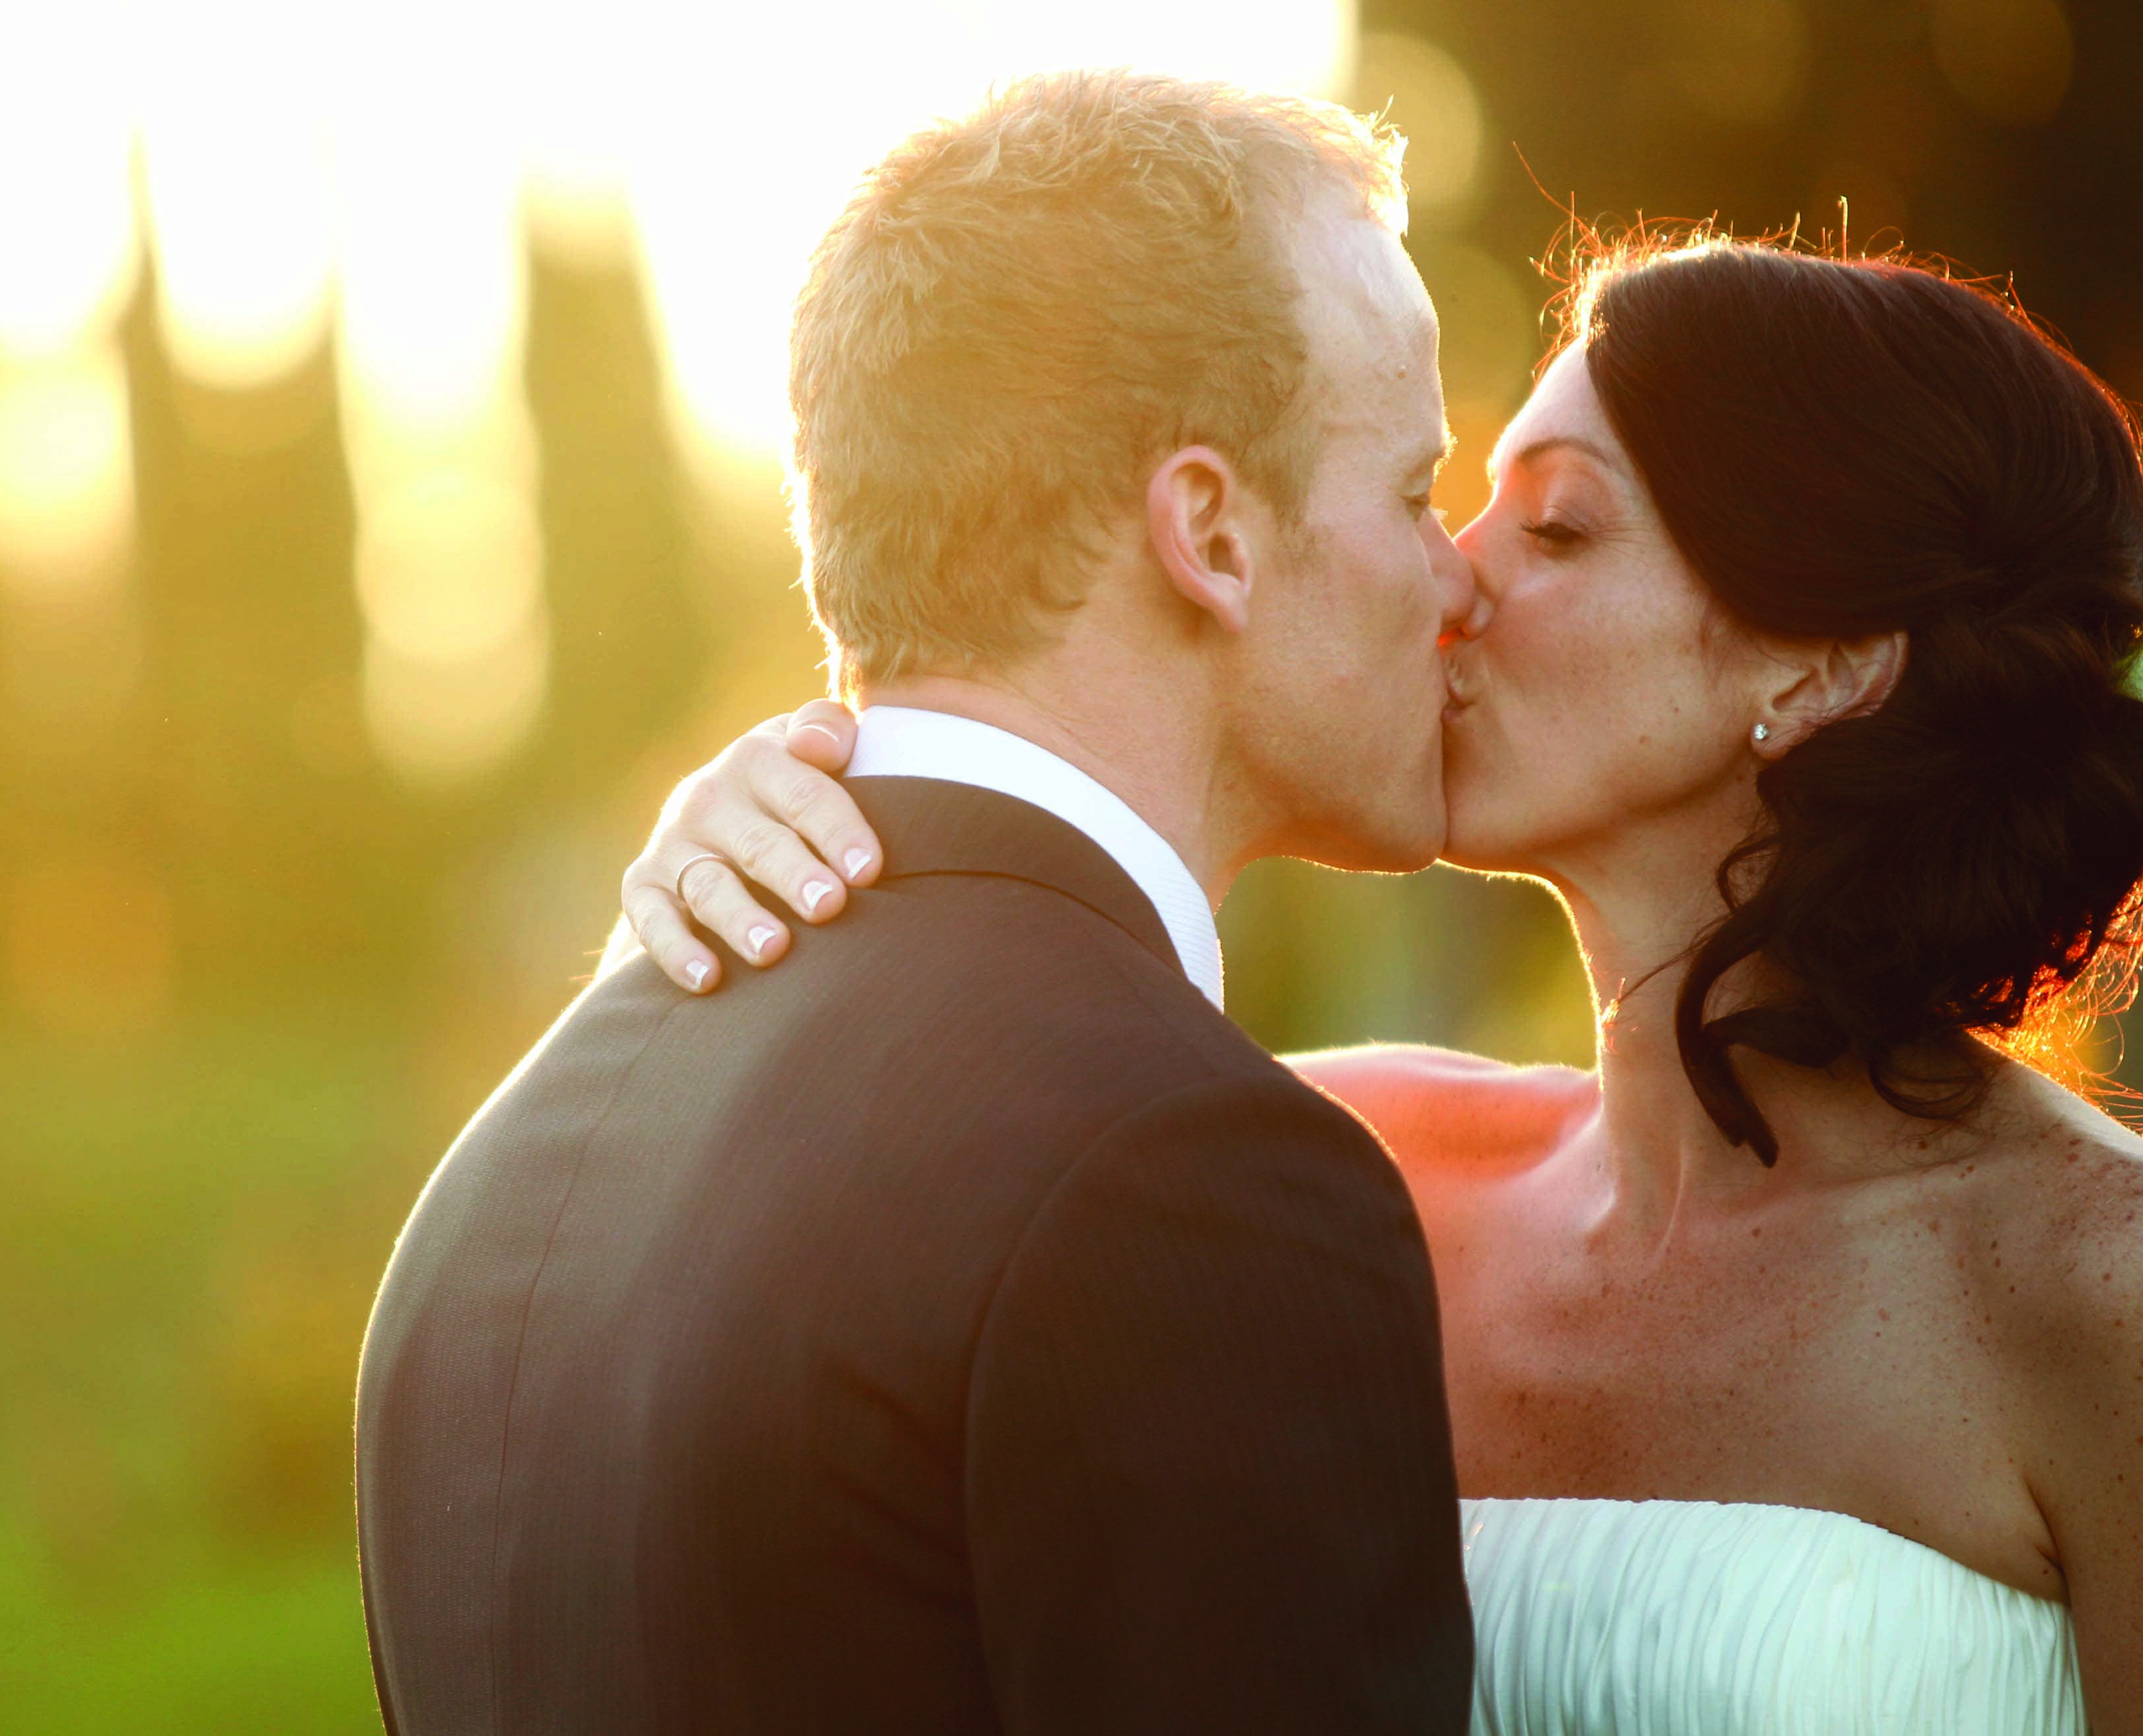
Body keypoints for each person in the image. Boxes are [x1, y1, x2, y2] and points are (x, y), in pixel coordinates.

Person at [620, 236, 2143, 1731]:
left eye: (1556, 531)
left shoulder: (2099, 1286)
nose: (1447, 580)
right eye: (1456, 503)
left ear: (1818, 668)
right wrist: (816, 829)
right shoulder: (1328, 1174)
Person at [355, 72, 1477, 1735]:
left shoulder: (497, 1184)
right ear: (1213, 534)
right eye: (1409, 491)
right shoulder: (1189, 1179)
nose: (1458, 578)